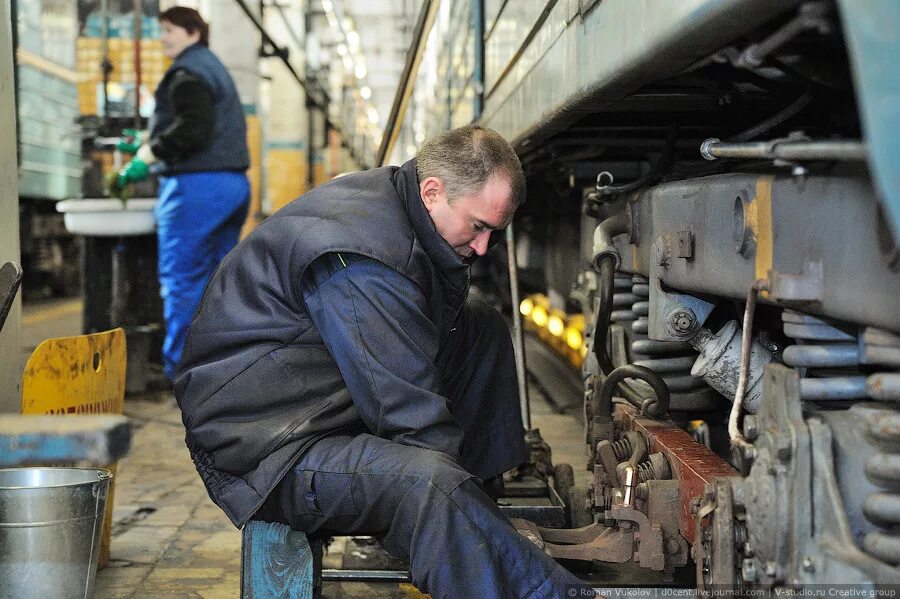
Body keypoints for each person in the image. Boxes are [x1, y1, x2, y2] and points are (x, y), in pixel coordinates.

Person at [174, 125, 596, 598]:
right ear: (433, 191)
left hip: (305, 402)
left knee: (481, 328)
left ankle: (480, 507)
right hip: (263, 451)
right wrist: (452, 499)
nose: (482, 248)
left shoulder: (399, 203)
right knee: (427, 482)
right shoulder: (368, 261)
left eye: (494, 233)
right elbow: (408, 416)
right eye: (478, 227)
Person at [113, 7, 250, 380]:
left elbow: (193, 128)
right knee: (219, 283)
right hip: (231, 185)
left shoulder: (187, 72)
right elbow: (200, 124)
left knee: (182, 282)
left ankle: (181, 372)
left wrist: (149, 155)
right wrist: (147, 140)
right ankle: (222, 370)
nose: (163, 38)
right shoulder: (212, 66)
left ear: (192, 32)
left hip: (196, 188)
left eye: (169, 30)